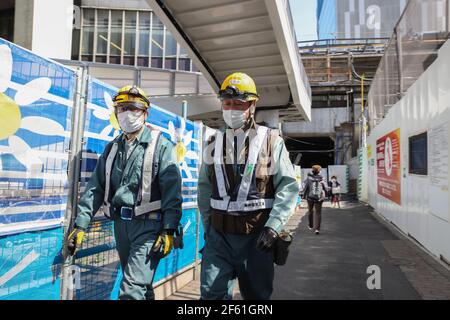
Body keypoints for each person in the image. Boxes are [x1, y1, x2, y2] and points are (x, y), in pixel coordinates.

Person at [66, 85, 182, 300]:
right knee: (141, 286)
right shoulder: (111, 148)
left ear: (145, 113)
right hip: (121, 226)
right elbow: (95, 188)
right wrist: (80, 225)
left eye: (134, 108)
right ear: (116, 114)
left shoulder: (161, 146)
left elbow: (172, 191)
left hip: (150, 226)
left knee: (131, 290)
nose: (128, 113)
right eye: (122, 108)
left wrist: (169, 229)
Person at [198, 72, 299, 300]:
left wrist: (273, 227)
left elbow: (288, 188)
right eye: (227, 103)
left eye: (239, 104)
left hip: (257, 239)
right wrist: (209, 230)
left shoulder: (272, 141)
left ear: (252, 105)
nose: (232, 109)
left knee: (257, 298)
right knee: (210, 296)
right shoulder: (212, 144)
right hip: (219, 238)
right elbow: (204, 189)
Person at [302, 165, 330, 235]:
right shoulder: (322, 179)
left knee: (310, 211)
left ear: (312, 171)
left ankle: (311, 225)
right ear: (319, 171)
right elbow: (326, 188)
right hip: (319, 198)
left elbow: (303, 186)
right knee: (318, 213)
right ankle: (317, 229)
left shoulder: (308, 178)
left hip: (310, 197)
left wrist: (303, 193)